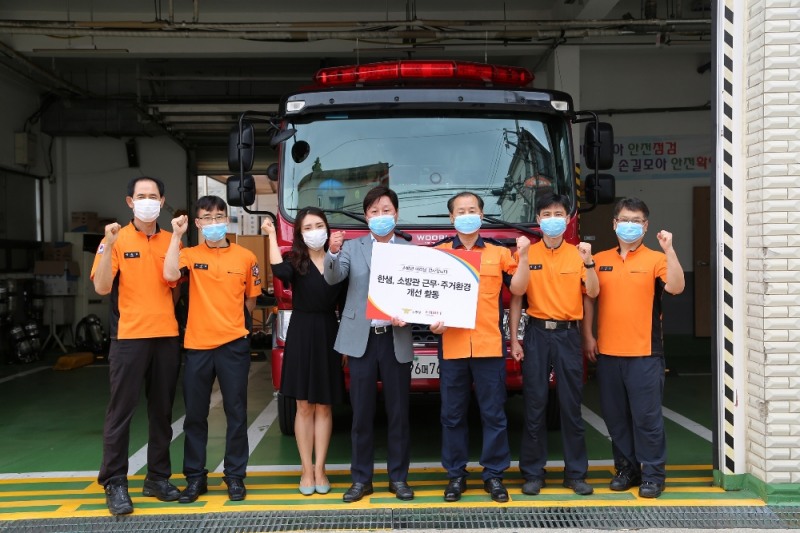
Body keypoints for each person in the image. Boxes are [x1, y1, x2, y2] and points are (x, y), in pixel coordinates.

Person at [429, 191, 530, 503]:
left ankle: (494, 475)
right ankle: (456, 475)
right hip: (453, 346)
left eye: (472, 209)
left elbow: (518, 288)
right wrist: (432, 321)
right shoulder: (439, 252)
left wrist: (524, 256)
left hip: (488, 346)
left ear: (482, 214)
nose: (467, 214)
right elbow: (426, 296)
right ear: (451, 218)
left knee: (494, 413)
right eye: (461, 210)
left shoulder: (499, 253)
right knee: (452, 414)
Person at [581, 197, 685, 499]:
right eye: (624, 220)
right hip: (609, 354)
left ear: (646, 226)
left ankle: (653, 474)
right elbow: (590, 297)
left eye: (637, 221)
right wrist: (587, 336)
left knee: (647, 418)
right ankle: (627, 469)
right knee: (616, 418)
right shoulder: (599, 259)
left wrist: (670, 250)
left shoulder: (656, 259)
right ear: (614, 224)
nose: (630, 226)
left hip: (645, 353)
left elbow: (676, 287)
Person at [91, 176, 182, 516]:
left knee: (162, 412)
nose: (147, 201)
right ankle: (115, 482)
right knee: (121, 413)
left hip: (165, 338)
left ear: (162, 201)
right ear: (130, 202)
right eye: (141, 196)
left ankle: (157, 478)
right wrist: (108, 243)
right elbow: (101, 287)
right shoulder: (114, 238)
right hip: (128, 338)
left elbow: (175, 285)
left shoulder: (172, 240)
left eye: (153, 196)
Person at [163, 195, 262, 503]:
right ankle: (195, 478)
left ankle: (234, 477)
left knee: (236, 412)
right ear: (198, 223)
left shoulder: (246, 257)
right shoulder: (188, 254)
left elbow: (251, 299)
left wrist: (237, 329)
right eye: (207, 217)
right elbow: (168, 276)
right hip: (197, 345)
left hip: (234, 345)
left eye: (220, 216)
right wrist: (176, 236)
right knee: (195, 415)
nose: (214, 222)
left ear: (227, 219)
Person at [323, 185, 415, 503]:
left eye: (386, 210)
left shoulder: (409, 249)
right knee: (361, 414)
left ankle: (398, 478)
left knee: (399, 413)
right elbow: (334, 279)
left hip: (396, 339)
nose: (380, 216)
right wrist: (332, 253)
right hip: (361, 340)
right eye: (374, 211)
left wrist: (410, 316)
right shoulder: (351, 248)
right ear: (366, 217)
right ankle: (361, 479)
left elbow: (417, 296)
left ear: (396, 214)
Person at [508, 192, 598, 497]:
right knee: (535, 404)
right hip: (536, 333)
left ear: (568, 218)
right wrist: (515, 339)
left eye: (558, 214)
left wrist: (589, 263)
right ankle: (533, 473)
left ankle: (576, 473)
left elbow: (593, 295)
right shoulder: (527, 252)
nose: (552, 220)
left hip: (568, 335)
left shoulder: (579, 254)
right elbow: (516, 296)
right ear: (537, 220)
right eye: (546, 215)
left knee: (571, 405)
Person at [262, 207, 345, 496]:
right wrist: (272, 235)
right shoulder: (295, 263)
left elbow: (347, 303)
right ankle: (305, 469)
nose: (314, 231)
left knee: (324, 405)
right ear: (300, 233)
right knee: (303, 405)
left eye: (319, 225)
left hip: (328, 333)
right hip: (300, 333)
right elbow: (276, 269)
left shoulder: (338, 262)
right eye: (307, 227)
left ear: (328, 229)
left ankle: (320, 468)